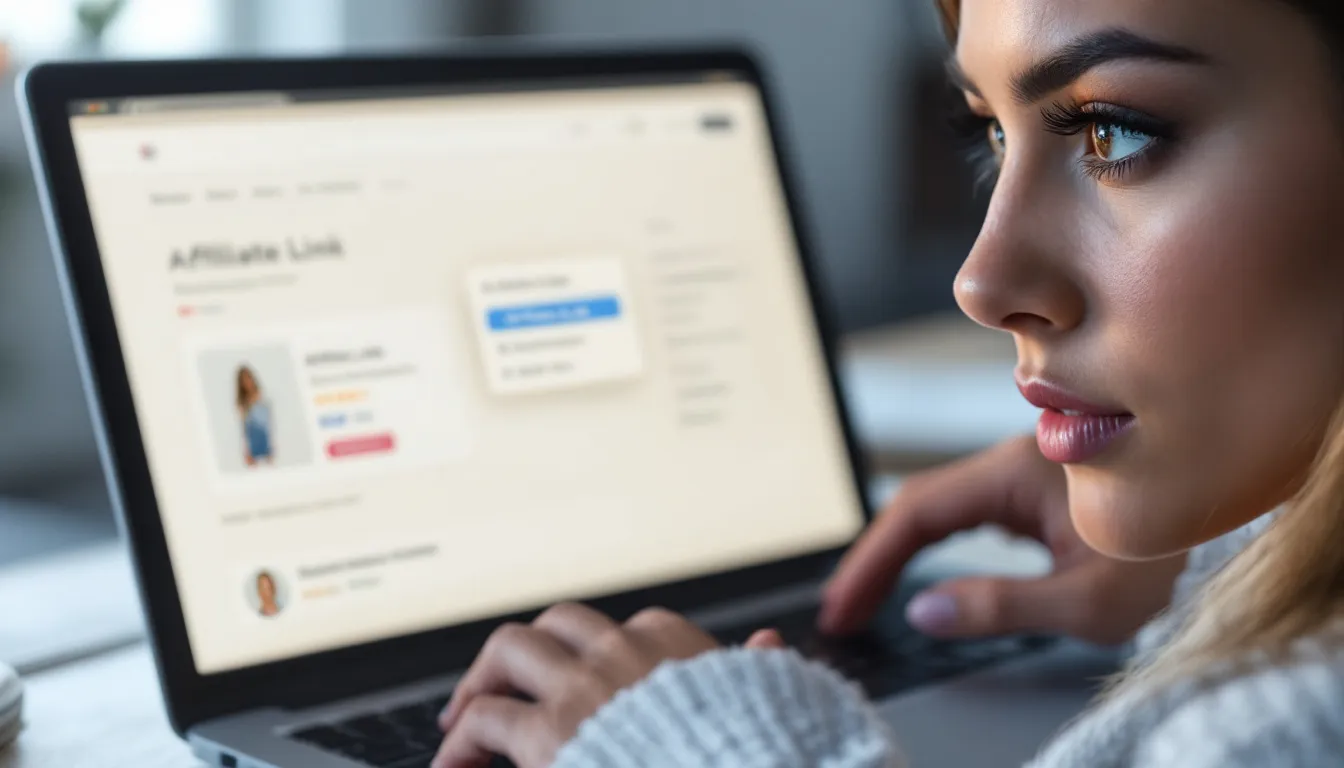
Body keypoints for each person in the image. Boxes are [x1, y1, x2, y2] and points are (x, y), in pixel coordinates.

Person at [431, 0, 1344, 765]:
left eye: (1114, 130)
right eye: (991, 131)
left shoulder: (1272, 729)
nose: (980, 282)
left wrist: (687, 742)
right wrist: (1242, 569)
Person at [236, 365, 274, 467]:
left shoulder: (263, 397)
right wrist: (247, 452)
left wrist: (272, 448)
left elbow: (270, 423)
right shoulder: (242, 404)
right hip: (253, 449)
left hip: (267, 446)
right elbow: (244, 430)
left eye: (248, 378)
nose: (247, 382)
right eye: (243, 380)